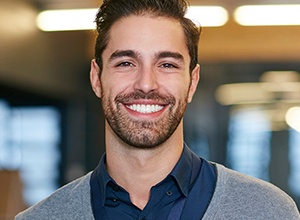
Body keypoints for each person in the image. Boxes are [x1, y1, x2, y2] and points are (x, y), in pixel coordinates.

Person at [15, 0, 300, 219]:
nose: (146, 84)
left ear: (192, 82)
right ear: (96, 78)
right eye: (126, 63)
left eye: (167, 64)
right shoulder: (42, 216)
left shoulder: (267, 210)